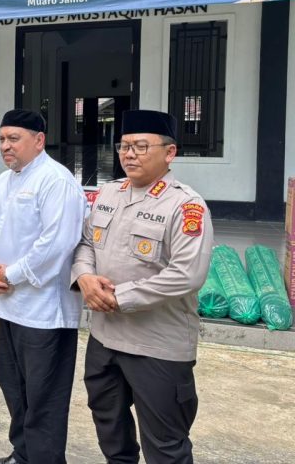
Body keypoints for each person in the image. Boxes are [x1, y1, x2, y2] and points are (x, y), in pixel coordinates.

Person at [71, 109, 213, 464]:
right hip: (104, 339)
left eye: (140, 146)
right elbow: (86, 243)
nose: (129, 154)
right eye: (123, 146)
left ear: (170, 152)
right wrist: (85, 278)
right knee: (110, 430)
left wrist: (118, 297)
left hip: (157, 346)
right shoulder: (108, 193)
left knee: (165, 446)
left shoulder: (185, 205)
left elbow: (187, 274)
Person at [0, 110, 86, 464]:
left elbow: (57, 244)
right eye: (2, 139)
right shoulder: (5, 180)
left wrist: (11, 275)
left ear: (39, 140)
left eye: (14, 138)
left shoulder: (56, 180)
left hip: (44, 310)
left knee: (44, 396)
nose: (5, 146)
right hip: (9, 305)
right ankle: (23, 454)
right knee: (14, 385)